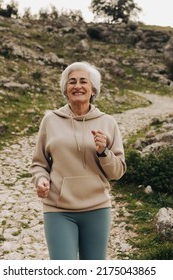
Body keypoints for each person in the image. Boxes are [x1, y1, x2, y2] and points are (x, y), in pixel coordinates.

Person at [30, 61, 126, 260]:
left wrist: (104, 152)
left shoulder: (107, 122)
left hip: (97, 209)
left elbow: (117, 172)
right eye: (71, 82)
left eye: (83, 81)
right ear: (65, 89)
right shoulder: (50, 120)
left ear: (93, 90)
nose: (77, 86)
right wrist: (40, 180)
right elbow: (39, 163)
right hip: (58, 209)